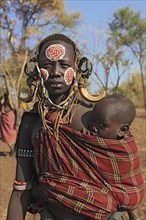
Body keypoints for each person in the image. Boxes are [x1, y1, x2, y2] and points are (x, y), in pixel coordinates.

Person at [6, 33, 138, 220]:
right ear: (35, 70)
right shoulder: (32, 121)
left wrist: (132, 211)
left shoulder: (96, 116)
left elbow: (119, 170)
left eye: (64, 65)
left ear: (78, 68)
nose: (55, 72)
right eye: (46, 65)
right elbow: (21, 188)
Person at [84, 94, 144, 219]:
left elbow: (131, 185)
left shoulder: (125, 152)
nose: (93, 127)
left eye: (101, 125)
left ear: (122, 130)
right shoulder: (88, 142)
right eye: (92, 120)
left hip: (116, 208)